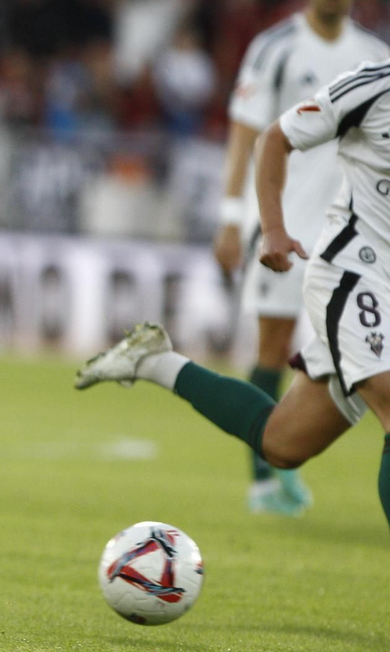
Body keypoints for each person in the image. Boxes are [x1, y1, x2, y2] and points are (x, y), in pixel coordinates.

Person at [76, 50, 390, 532]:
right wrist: (273, 228)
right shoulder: (373, 86)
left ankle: (154, 361)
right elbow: (275, 138)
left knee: (283, 444)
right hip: (353, 273)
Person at [210, 0, 387, 515]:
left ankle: (285, 453)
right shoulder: (275, 47)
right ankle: (264, 475)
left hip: (351, 233)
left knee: (339, 360)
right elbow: (248, 134)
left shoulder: (375, 55)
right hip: (282, 221)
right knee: (272, 343)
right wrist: (235, 218)